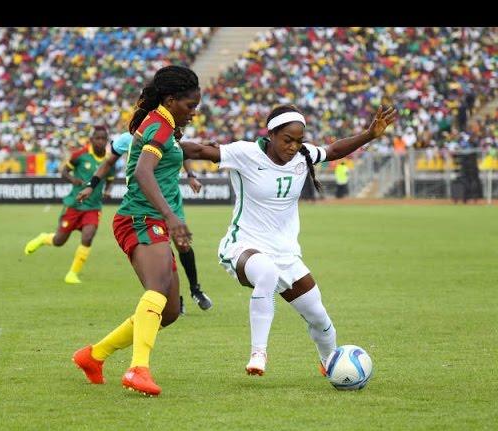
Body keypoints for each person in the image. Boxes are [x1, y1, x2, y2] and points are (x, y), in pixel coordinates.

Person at [179, 103, 396, 377]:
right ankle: (259, 352)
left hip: (286, 254)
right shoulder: (245, 153)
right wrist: (159, 139)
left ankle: (331, 364)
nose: (293, 146)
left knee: (319, 317)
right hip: (244, 246)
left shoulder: (303, 155)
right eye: (287, 140)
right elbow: (198, 150)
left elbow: (334, 150)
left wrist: (369, 134)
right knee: (266, 273)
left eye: (298, 140)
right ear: (270, 134)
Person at [72, 65, 200, 396]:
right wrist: (172, 217)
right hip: (139, 218)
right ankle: (137, 369)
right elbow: (144, 171)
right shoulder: (158, 124)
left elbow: (168, 159)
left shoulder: (165, 123)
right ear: (171, 100)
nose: (193, 113)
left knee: (168, 312)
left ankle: (94, 356)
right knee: (156, 288)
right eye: (190, 106)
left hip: (149, 218)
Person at [76, 129, 213, 314]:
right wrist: (91, 185)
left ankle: (195, 290)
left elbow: (181, 151)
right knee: (162, 249)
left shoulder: (167, 129)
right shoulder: (126, 139)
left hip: (171, 200)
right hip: (145, 203)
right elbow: (109, 162)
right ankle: (175, 298)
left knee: (183, 244)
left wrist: (190, 175)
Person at [23, 125, 114, 284]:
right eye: (97, 138)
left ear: (107, 141)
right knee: (59, 241)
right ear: (91, 140)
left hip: (93, 207)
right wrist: (74, 180)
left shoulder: (109, 160)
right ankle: (43, 238)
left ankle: (72, 274)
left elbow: (111, 180)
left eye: (103, 139)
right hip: (74, 205)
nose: (100, 141)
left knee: (88, 236)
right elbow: (64, 171)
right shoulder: (80, 155)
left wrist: (108, 190)